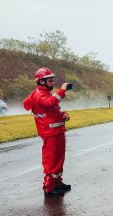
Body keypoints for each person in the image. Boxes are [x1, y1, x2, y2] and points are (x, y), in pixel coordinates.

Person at [23, 67, 71, 196]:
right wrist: (62, 90)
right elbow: (49, 103)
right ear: (41, 82)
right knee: (51, 160)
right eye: (50, 80)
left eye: (52, 80)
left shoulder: (46, 94)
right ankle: (49, 187)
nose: (53, 82)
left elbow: (53, 110)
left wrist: (64, 114)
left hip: (57, 131)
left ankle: (58, 183)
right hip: (50, 133)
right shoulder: (39, 94)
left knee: (59, 159)